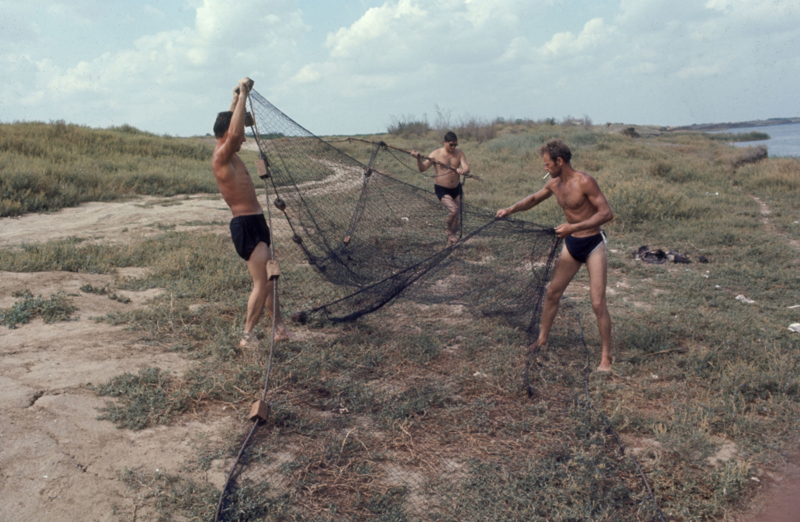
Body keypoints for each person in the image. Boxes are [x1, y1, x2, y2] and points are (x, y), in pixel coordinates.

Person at [495, 138, 614, 371]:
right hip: (572, 245)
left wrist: (573, 228)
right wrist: (510, 209)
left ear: (560, 161)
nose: (545, 169)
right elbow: (532, 199)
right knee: (552, 293)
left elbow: (606, 214)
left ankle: (606, 357)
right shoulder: (553, 184)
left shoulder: (585, 181)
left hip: (593, 244)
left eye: (548, 165)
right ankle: (542, 340)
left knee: (598, 302)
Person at [211, 77, 295, 346]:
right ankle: (247, 336)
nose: (244, 139)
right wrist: (245, 94)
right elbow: (234, 132)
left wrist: (236, 96)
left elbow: (230, 124)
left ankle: (279, 329)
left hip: (256, 221)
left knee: (271, 276)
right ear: (226, 135)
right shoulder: (221, 156)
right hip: (246, 224)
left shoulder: (229, 151)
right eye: (239, 134)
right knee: (263, 282)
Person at [411, 131, 470, 246]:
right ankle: (448, 232)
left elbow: (466, 167)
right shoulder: (435, 154)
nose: (453, 147)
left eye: (455, 145)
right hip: (442, 189)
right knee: (453, 210)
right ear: (444, 142)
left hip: (456, 188)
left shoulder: (459, 153)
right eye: (451, 144)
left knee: (456, 216)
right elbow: (422, 168)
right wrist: (418, 159)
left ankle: (450, 242)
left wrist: (463, 171)